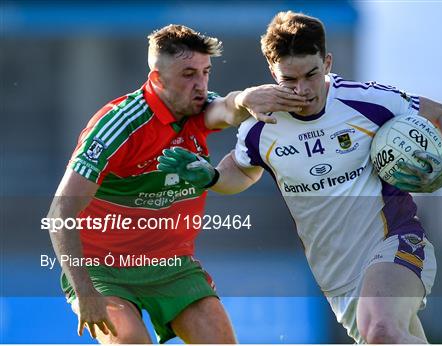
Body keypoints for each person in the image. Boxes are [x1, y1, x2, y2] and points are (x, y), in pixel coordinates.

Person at [157, 11, 442, 343]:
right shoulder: (261, 128)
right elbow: (241, 173)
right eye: (289, 80)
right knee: (390, 336)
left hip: (395, 241)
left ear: (327, 63)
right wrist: (211, 176)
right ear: (272, 72)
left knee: (381, 328)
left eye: (311, 74)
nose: (303, 90)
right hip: (337, 278)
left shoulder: (368, 101)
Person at [46, 24, 308, 344]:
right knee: (130, 341)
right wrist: (85, 291)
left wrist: (246, 98)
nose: (201, 85)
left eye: (206, 72)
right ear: (157, 79)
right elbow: (61, 210)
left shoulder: (200, 108)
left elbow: (226, 108)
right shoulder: (118, 125)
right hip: (103, 271)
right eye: (188, 74)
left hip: (172, 269)